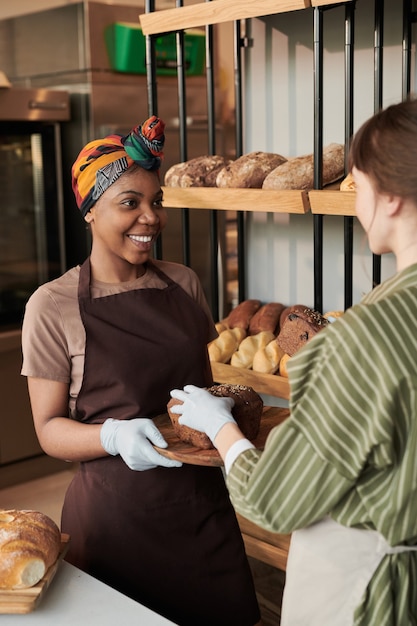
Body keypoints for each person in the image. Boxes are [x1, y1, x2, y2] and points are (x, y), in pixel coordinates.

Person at [170, 97, 417, 626]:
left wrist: (221, 431)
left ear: (392, 196)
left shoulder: (366, 339)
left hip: (375, 595)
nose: (355, 198)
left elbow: (275, 499)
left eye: (360, 181)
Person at [21, 116, 261, 626]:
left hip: (202, 509)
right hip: (116, 522)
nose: (150, 217)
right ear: (89, 211)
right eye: (129, 203)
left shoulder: (184, 282)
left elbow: (203, 392)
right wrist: (111, 436)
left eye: (156, 202)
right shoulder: (53, 305)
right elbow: (47, 429)